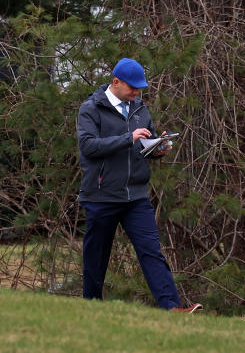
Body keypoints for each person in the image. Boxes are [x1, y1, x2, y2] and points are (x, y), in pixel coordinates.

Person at [75, 57, 202, 313]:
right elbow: (88, 147)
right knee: (96, 258)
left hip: (136, 197)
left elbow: (145, 144)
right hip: (101, 195)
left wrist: (158, 148)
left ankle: (172, 308)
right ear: (116, 82)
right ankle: (90, 309)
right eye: (132, 87)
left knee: (151, 252)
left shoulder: (140, 108)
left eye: (139, 88)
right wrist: (127, 137)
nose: (136, 92)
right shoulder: (90, 109)